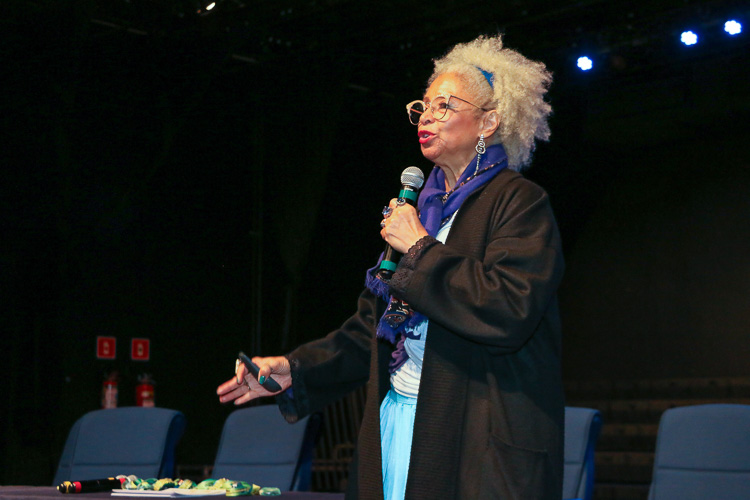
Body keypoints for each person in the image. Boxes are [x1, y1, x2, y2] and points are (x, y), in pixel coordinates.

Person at [217, 34, 564, 500]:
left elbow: (509, 308)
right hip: (399, 421)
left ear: (489, 121)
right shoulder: (421, 210)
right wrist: (296, 369)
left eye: (444, 105)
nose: (427, 117)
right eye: (423, 106)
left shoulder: (519, 202)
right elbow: (374, 325)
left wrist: (419, 248)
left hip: (474, 441)